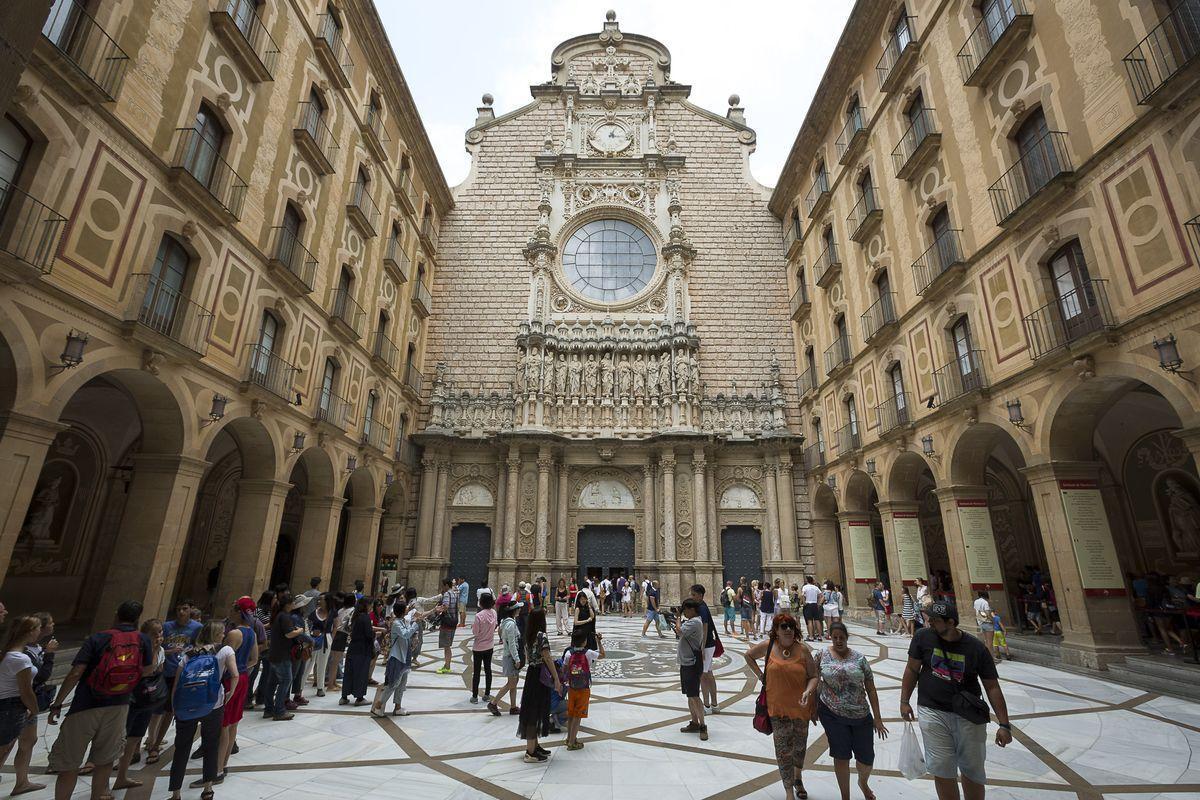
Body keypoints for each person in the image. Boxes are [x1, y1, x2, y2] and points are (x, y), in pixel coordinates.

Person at [900, 601, 1012, 800]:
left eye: (934, 620)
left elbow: (992, 686)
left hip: (967, 715)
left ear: (950, 622)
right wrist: (904, 700)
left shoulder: (976, 648)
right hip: (932, 710)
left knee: (972, 769)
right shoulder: (922, 638)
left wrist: (1004, 724)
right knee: (942, 768)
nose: (929, 623)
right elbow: (912, 669)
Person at [47, 600, 153, 800]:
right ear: (138, 618)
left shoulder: (98, 638)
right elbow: (147, 669)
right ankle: (98, 795)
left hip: (86, 705)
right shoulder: (143, 639)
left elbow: (76, 672)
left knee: (69, 764)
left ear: (116, 615)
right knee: (105, 760)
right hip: (119, 704)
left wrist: (58, 702)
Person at [744, 614, 817, 800]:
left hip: (801, 708)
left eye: (791, 626)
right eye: (784, 626)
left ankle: (798, 778)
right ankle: (788, 791)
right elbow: (749, 656)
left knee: (799, 747)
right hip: (777, 708)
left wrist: (808, 692)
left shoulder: (803, 649)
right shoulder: (769, 646)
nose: (788, 630)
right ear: (776, 630)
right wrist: (761, 676)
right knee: (783, 750)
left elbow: (813, 676)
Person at [816, 621, 887, 800]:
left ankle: (863, 782)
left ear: (847, 638)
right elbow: (815, 680)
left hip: (861, 714)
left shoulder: (859, 658)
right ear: (830, 638)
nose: (838, 641)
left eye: (842, 637)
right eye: (835, 637)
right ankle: (845, 796)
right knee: (841, 755)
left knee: (866, 758)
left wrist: (877, 718)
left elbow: (870, 688)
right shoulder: (821, 655)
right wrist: (812, 706)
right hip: (831, 712)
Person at [167, 621, 238, 799]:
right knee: (211, 745)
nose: (224, 635)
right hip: (213, 704)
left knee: (181, 748)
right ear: (216, 634)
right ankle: (207, 788)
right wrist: (229, 694)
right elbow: (235, 675)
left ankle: (176, 793)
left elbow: (176, 685)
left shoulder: (188, 654)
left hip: (187, 705)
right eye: (222, 632)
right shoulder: (225, 650)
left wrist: (175, 707)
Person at [145, 598, 201, 759]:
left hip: (181, 674)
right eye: (178, 609)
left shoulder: (197, 628)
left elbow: (199, 646)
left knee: (169, 710)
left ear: (190, 610)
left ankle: (155, 744)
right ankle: (150, 738)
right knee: (154, 709)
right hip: (162, 673)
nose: (181, 612)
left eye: (184, 609)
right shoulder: (167, 626)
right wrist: (168, 653)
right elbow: (157, 646)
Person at [114, 618, 165, 792]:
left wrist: (156, 649)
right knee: (120, 737)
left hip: (147, 698)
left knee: (134, 737)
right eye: (154, 633)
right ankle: (105, 777)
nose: (158, 636)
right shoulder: (137, 650)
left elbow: (157, 671)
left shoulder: (160, 650)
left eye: (160, 632)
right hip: (131, 697)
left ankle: (122, 776)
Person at [0, 615, 45, 796]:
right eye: (38, 628)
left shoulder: (9, 653)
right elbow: (26, 691)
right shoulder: (20, 659)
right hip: (13, 706)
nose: (40, 632)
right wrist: (34, 710)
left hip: (13, 705)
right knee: (4, 749)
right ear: (30, 632)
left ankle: (22, 782)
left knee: (26, 741)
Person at [217, 604, 257, 779]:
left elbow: (225, 658)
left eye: (232, 610)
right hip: (242, 678)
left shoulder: (234, 634)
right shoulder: (252, 633)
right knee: (233, 722)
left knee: (223, 723)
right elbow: (254, 659)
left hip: (229, 680)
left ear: (238, 612)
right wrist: (241, 670)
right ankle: (224, 764)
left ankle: (217, 769)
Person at [516, 609, 561, 762]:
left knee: (533, 710)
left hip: (532, 674)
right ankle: (530, 752)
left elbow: (528, 657)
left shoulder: (528, 635)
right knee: (534, 712)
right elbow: (547, 657)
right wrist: (556, 678)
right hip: (540, 676)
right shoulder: (542, 636)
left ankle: (535, 745)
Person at [372, 600, 424, 717]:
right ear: (402, 610)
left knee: (402, 684)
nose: (407, 609)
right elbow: (405, 634)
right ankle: (378, 705)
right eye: (406, 607)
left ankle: (398, 707)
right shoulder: (396, 623)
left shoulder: (403, 621)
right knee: (394, 683)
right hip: (397, 657)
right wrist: (415, 624)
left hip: (405, 656)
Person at [265, 593, 305, 721]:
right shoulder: (285, 617)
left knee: (272, 683)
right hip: (282, 655)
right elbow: (289, 634)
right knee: (286, 681)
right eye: (292, 603)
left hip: (274, 653)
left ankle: (269, 709)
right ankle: (279, 711)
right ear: (288, 604)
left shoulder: (277, 615)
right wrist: (299, 631)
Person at [562, 628, 604, 751]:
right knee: (578, 715)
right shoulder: (588, 653)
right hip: (584, 687)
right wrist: (599, 641)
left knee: (571, 714)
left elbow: (564, 669)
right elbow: (602, 655)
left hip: (571, 687)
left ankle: (569, 738)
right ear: (584, 641)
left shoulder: (568, 653)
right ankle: (572, 743)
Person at [673, 598, 708, 741]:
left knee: (694, 695)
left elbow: (679, 631)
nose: (684, 612)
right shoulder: (693, 621)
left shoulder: (695, 622)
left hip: (691, 664)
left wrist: (677, 617)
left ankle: (703, 726)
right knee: (689, 694)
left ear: (692, 610)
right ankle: (694, 722)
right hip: (686, 662)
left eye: (685, 610)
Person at [341, 597, 381, 706]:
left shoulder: (355, 616)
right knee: (361, 673)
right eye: (370, 605)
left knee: (349, 672)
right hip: (363, 649)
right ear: (366, 605)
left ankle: (344, 697)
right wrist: (375, 634)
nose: (371, 607)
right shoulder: (365, 617)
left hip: (353, 648)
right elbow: (368, 634)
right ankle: (359, 698)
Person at [488, 600, 523, 716]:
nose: (520, 610)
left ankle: (513, 707)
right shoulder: (511, 624)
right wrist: (517, 659)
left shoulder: (506, 622)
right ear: (514, 611)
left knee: (514, 681)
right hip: (510, 657)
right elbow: (512, 643)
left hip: (509, 655)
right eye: (518, 608)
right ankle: (493, 703)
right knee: (511, 683)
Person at [689, 584, 721, 714]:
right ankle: (714, 704)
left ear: (700, 595)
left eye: (694, 595)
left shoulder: (701, 608)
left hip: (706, 645)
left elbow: (705, 627)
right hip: (709, 644)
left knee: (703, 675)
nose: (692, 597)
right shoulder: (703, 606)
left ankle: (707, 706)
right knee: (709, 674)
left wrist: (701, 647)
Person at [470, 592, 497, 704]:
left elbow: (475, 632)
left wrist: (473, 627)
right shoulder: (494, 613)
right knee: (488, 670)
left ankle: (475, 696)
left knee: (476, 672)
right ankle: (487, 694)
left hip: (478, 647)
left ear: (481, 602)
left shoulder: (479, 616)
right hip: (489, 646)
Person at [308, 593, 335, 697]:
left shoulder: (332, 612)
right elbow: (309, 625)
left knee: (322, 664)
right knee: (309, 663)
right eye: (318, 599)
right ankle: (299, 688)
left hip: (326, 639)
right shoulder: (314, 613)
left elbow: (336, 626)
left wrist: (331, 637)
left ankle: (320, 687)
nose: (319, 601)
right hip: (314, 639)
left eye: (321, 599)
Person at [326, 593, 354, 690]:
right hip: (342, 635)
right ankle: (330, 685)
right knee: (335, 661)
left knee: (335, 660)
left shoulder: (340, 610)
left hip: (336, 634)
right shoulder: (352, 610)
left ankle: (333, 682)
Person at [436, 577, 460, 674]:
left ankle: (447, 666)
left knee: (446, 646)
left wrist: (437, 609)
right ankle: (447, 664)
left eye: (443, 585)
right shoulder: (454, 593)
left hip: (447, 623)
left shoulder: (447, 594)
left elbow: (445, 607)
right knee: (448, 645)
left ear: (446, 585)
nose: (442, 587)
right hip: (453, 622)